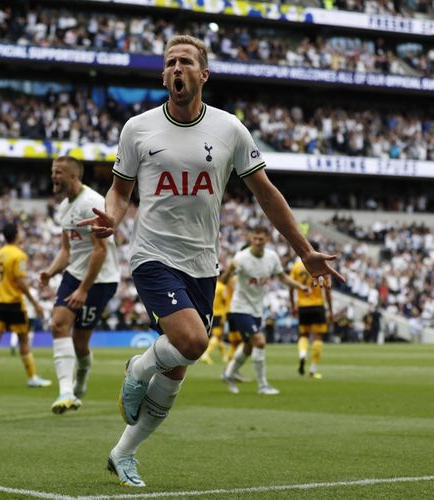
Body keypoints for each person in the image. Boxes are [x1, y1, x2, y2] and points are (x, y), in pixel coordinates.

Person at [79, 34, 343, 487]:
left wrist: (304, 251)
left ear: (203, 75)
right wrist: (113, 219)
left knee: (179, 365)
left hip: (203, 263)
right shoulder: (137, 128)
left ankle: (123, 452)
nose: (175, 69)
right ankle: (138, 367)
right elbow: (120, 191)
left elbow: (266, 193)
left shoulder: (229, 129)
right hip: (153, 255)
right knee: (194, 341)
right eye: (169, 63)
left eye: (185, 62)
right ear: (164, 75)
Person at [39, 155, 120, 414]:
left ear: (74, 177)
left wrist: (84, 289)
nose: (53, 176)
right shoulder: (64, 207)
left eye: (59, 172)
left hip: (100, 279)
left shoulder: (92, 203)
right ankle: (65, 392)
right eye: (53, 171)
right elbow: (67, 249)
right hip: (75, 273)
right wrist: (50, 272)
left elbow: (101, 251)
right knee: (59, 324)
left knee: (80, 342)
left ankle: (80, 380)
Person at [219, 226, 310, 395]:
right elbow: (223, 281)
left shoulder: (272, 257)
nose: (258, 242)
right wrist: (230, 270)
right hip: (240, 308)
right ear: (250, 239)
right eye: (255, 238)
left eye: (261, 239)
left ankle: (229, 373)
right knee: (259, 342)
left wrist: (300, 287)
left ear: (267, 239)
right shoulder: (242, 258)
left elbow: (282, 278)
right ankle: (262, 385)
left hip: (257, 310)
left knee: (248, 346)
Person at [0, 223, 51, 389]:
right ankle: (32, 377)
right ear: (16, 235)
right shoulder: (19, 255)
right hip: (13, 303)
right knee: (24, 340)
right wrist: (35, 304)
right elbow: (20, 281)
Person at [290, 244, 333, 379]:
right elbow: (327, 289)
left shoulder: (296, 267)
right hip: (317, 305)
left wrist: (293, 305)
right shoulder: (320, 266)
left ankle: (302, 354)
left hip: (303, 305)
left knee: (303, 335)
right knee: (317, 337)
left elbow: (291, 287)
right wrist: (330, 309)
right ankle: (313, 370)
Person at [199, 278, 228, 365]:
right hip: (219, 314)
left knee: (218, 337)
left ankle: (224, 356)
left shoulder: (211, 286)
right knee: (216, 336)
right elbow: (225, 302)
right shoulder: (222, 287)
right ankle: (206, 354)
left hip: (210, 313)